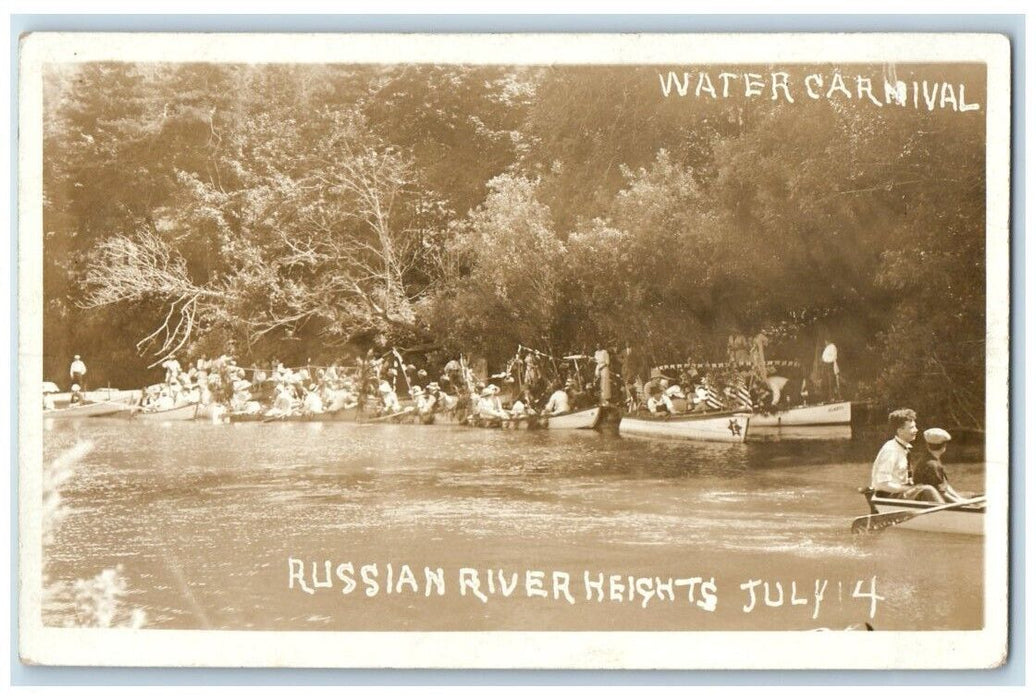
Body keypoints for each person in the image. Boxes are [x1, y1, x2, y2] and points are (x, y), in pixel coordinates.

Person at [869, 409, 942, 501]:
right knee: (928, 490)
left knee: (933, 486)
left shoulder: (903, 448)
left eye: (915, 426)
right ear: (900, 431)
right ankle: (947, 513)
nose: (916, 430)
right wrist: (910, 489)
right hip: (888, 497)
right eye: (911, 427)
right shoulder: (891, 450)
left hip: (900, 494)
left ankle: (952, 510)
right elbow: (882, 484)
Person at [912, 428, 970, 503]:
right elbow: (941, 493)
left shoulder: (930, 459)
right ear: (944, 446)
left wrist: (960, 499)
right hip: (930, 502)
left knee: (968, 495)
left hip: (932, 499)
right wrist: (960, 503)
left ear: (927, 445)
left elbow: (945, 486)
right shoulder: (932, 465)